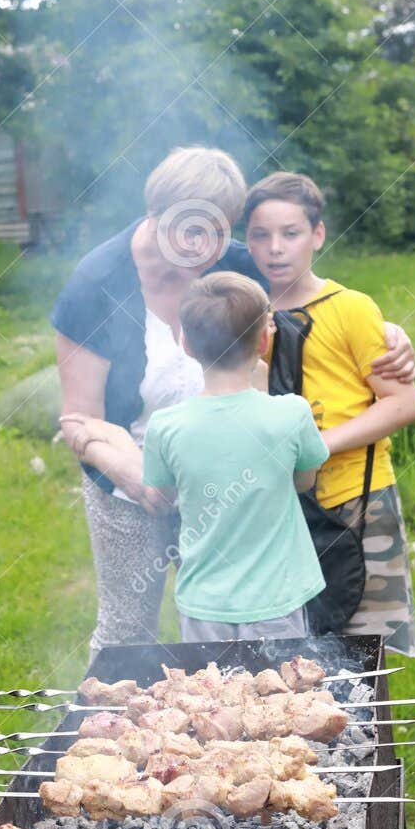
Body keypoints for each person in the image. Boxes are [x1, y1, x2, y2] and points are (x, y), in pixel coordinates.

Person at [53, 146, 415, 652]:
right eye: (190, 230)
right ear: (155, 215)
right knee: (126, 632)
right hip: (129, 482)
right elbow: (78, 419)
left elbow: (322, 303)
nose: (205, 248)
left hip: (232, 477)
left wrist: (391, 334)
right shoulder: (95, 284)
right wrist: (134, 476)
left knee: (247, 619)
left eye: (220, 230)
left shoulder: (237, 264)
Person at [244, 171, 415, 656]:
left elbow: (403, 402)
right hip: (279, 510)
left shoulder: (352, 309)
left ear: (317, 235)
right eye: (261, 235)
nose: (275, 248)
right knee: (291, 653)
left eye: (291, 233)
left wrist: (319, 446)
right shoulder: (244, 314)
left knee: (365, 651)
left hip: (357, 501)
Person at [140, 273, 329, 641]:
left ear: (187, 344)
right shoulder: (292, 414)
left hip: (203, 606)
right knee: (280, 696)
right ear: (264, 340)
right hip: (278, 600)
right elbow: (305, 480)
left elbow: (161, 498)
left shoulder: (165, 426)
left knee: (212, 697)